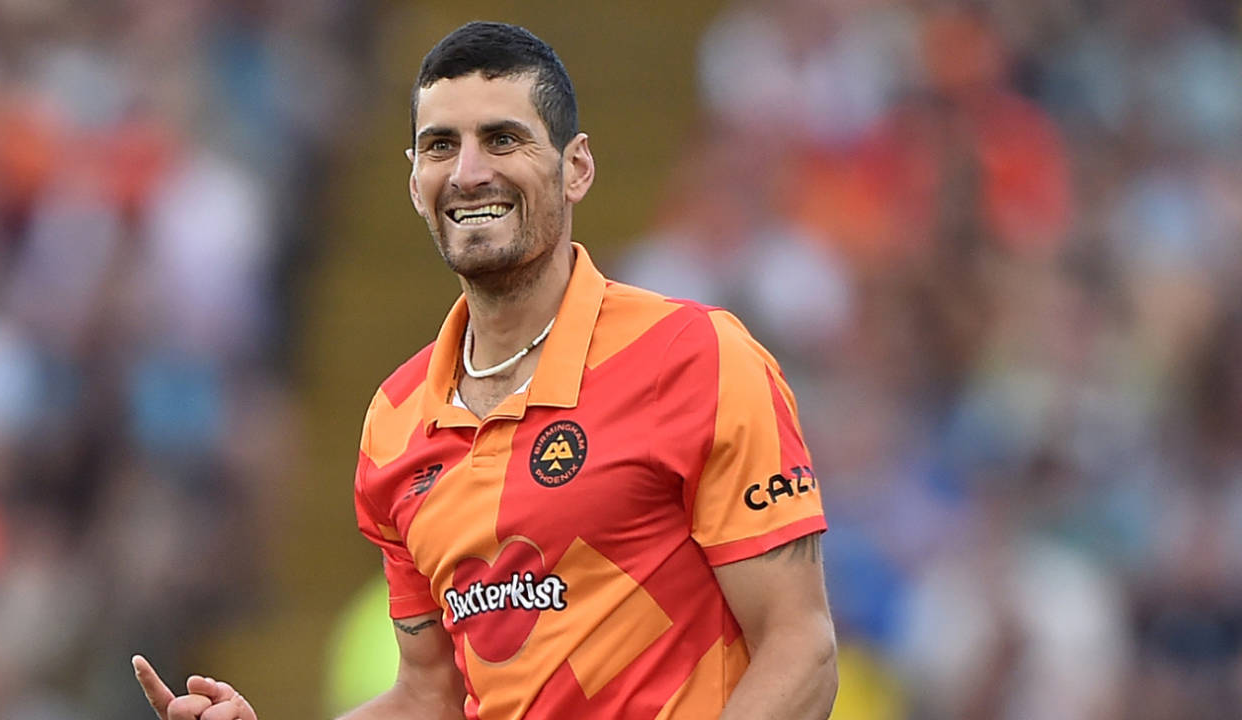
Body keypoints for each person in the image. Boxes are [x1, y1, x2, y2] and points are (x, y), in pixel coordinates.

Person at [133, 21, 837, 720]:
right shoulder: (395, 420)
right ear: (414, 183)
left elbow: (800, 650)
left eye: (503, 138)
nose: (469, 172)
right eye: (442, 146)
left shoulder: (696, 357)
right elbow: (429, 696)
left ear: (577, 168)